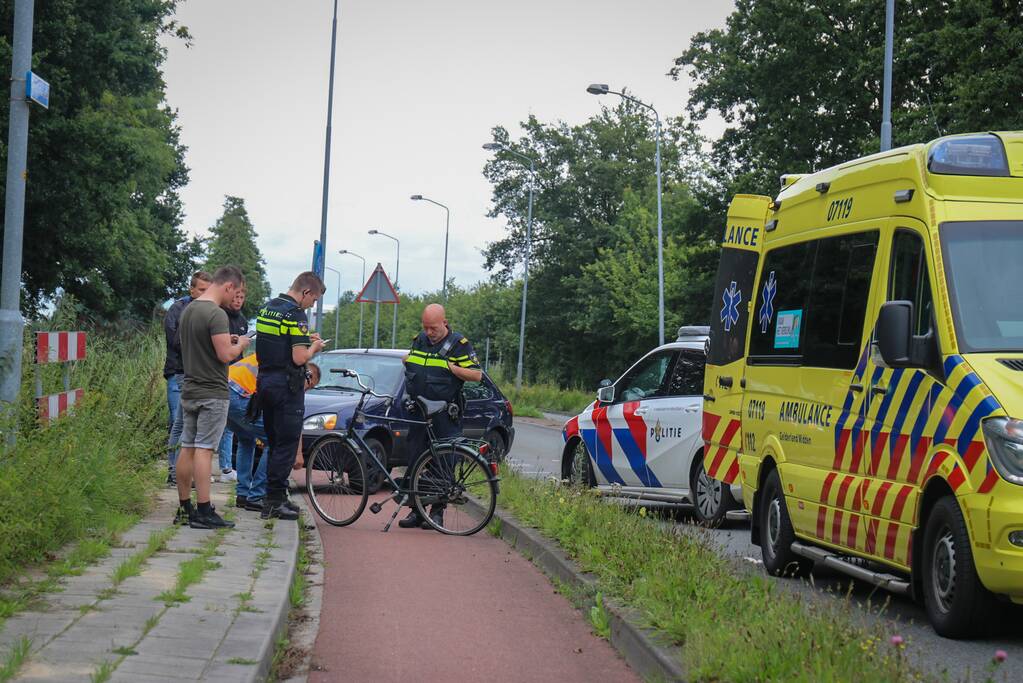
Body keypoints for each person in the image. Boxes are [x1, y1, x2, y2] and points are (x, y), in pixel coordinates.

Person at [174, 265, 250, 529]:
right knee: (205, 450)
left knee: (188, 447)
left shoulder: (189, 310)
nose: (234, 299)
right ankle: (205, 511)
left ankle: (185, 508)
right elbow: (226, 356)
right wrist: (240, 343)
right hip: (212, 392)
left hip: (190, 387)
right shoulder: (216, 314)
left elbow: (200, 345)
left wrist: (224, 340)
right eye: (235, 292)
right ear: (227, 286)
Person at [398, 303, 482, 530]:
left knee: (443, 463)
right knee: (415, 459)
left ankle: (437, 514)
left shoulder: (458, 345)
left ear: (444, 323)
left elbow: (476, 374)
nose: (429, 332)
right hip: (418, 412)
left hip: (445, 415)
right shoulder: (420, 341)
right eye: (425, 327)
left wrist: (453, 369)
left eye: (433, 328)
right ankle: (417, 511)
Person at [255, 272, 326, 521]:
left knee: (273, 441)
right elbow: (299, 358)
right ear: (306, 292)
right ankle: (274, 502)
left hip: (265, 381)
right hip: (287, 386)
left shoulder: (267, 309)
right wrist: (314, 348)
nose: (312, 305)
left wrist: (304, 339)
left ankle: (274, 497)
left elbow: (278, 341)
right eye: (314, 300)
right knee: (285, 444)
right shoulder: (295, 314)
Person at [225, 354, 320, 512]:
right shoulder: (291, 374)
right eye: (309, 386)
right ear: (308, 375)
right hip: (239, 394)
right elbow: (291, 422)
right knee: (275, 440)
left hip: (225, 389)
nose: (306, 390)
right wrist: (297, 454)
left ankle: (243, 494)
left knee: (245, 439)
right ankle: (257, 495)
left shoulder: (276, 355)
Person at [164, 271, 212, 486]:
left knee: (186, 424)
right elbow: (176, 341)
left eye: (207, 290)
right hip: (180, 372)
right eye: (201, 289)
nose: (204, 294)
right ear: (191, 289)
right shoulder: (179, 308)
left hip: (198, 373)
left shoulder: (209, 309)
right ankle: (175, 472)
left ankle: (181, 473)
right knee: (179, 422)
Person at [216, 286, 250, 483]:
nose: (238, 301)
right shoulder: (220, 316)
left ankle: (227, 467)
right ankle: (222, 465)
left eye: (241, 298)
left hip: (236, 374)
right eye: (235, 297)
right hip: (221, 373)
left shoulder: (242, 320)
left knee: (230, 427)